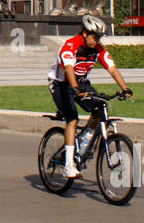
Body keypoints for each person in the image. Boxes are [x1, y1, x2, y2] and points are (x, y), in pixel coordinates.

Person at [49, 15, 133, 179]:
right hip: (61, 83)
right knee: (72, 119)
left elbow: (112, 68)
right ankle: (68, 165)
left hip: (81, 82)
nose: (97, 41)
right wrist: (75, 88)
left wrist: (125, 88)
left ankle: (85, 139)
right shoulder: (71, 46)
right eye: (95, 37)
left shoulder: (98, 49)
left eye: (99, 38)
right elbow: (68, 69)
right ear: (85, 33)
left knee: (100, 108)